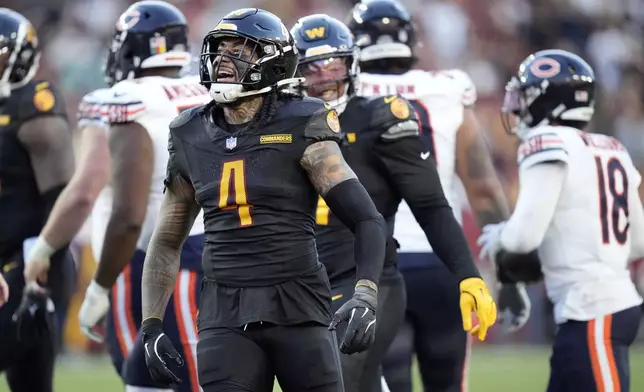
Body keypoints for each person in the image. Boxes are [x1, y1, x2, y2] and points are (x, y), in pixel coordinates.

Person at [140, 8, 390, 392]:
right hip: (224, 313)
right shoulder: (190, 132)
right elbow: (166, 241)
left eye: (241, 48)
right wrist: (151, 324)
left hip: (299, 307)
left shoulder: (301, 121)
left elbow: (366, 218)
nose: (225, 59)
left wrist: (366, 293)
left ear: (273, 59)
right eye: (220, 49)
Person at [290, 14, 497, 392]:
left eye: (333, 67)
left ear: (352, 66)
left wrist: (468, 274)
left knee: (335, 380)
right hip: (304, 285)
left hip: (367, 281)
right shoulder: (280, 127)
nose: (323, 81)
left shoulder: (379, 117)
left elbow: (431, 205)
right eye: (311, 70)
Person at [23, 2, 209, 391]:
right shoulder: (206, 92)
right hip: (222, 253)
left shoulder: (122, 99)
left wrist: (89, 278)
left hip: (153, 262)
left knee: (150, 380)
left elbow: (94, 195)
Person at [347, 1, 522, 391]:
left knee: (380, 383)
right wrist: (508, 275)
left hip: (369, 266)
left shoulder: (341, 94)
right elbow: (483, 188)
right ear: (410, 41)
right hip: (440, 260)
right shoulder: (444, 89)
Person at [478, 49, 644, 392]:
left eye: (525, 95)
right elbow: (638, 242)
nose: (517, 105)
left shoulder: (546, 141)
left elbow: (522, 237)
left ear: (547, 100)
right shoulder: (611, 146)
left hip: (593, 311)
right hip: (600, 307)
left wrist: (500, 239)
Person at [0, 7, 76, 392]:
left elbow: (63, 201)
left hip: (27, 263)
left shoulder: (34, 107)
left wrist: (39, 279)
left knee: (30, 380)